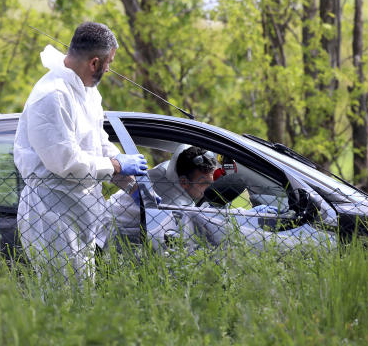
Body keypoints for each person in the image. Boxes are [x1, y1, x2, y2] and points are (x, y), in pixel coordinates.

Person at [13, 21, 148, 279]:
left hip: (79, 211)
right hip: (51, 213)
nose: (109, 69)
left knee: (81, 297)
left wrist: (132, 186)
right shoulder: (52, 96)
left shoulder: (86, 93)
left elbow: (97, 144)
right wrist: (117, 165)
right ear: (94, 63)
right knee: (62, 299)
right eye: (109, 62)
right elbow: (66, 162)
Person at [106, 145, 219, 237]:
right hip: (109, 233)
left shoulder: (167, 170)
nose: (209, 189)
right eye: (204, 183)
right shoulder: (173, 202)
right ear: (184, 182)